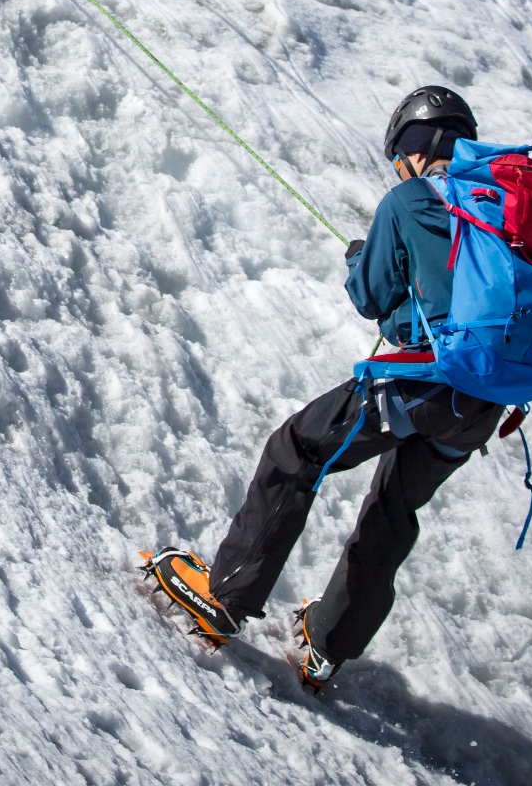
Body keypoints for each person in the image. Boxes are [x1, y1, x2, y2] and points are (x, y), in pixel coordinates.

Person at [145, 85, 508, 690]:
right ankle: (328, 644)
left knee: (300, 450)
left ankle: (225, 595)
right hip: (485, 403)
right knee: (395, 507)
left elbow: (372, 299)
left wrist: (360, 258)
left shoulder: (413, 199)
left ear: (416, 148)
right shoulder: (501, 210)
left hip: (430, 383)